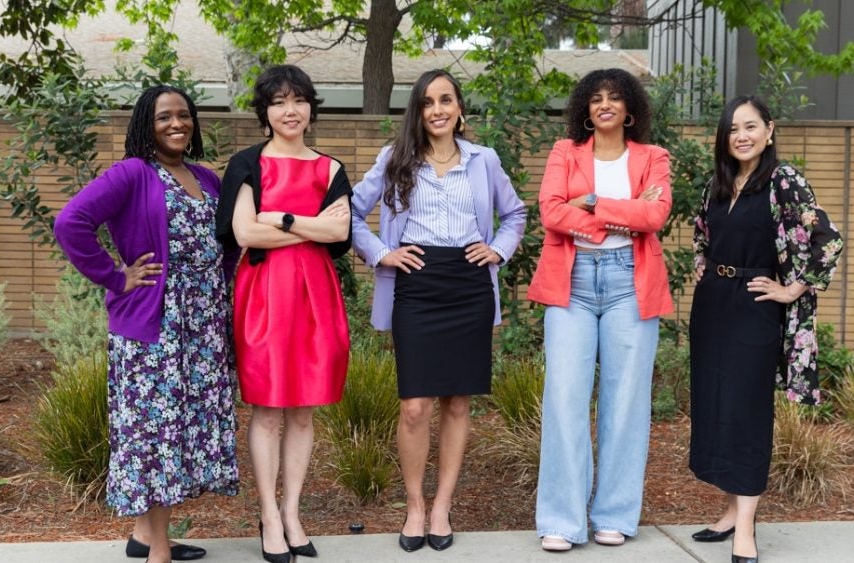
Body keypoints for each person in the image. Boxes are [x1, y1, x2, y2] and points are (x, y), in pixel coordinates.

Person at [54, 85, 239, 563]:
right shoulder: (133, 174)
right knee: (155, 436)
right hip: (155, 327)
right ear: (145, 126)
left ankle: (144, 536)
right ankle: (158, 550)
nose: (176, 124)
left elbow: (228, 241)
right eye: (163, 118)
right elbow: (70, 223)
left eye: (184, 115)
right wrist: (115, 277)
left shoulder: (205, 178)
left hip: (201, 328)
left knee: (179, 431)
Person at [350, 69, 526, 553]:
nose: (437, 110)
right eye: (428, 102)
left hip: (469, 284)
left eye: (446, 99)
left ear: (459, 107)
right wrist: (381, 252)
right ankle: (414, 506)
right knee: (414, 406)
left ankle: (443, 506)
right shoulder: (395, 159)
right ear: (418, 111)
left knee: (459, 401)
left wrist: (498, 250)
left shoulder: (483, 160)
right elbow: (346, 211)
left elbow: (515, 214)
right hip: (417, 284)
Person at [688, 95, 844, 563]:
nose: (741, 135)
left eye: (750, 126)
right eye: (733, 128)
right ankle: (731, 510)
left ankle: (747, 531)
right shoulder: (720, 182)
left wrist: (794, 288)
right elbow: (702, 233)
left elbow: (828, 239)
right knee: (716, 407)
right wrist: (701, 262)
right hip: (712, 307)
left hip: (756, 308)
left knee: (747, 413)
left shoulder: (784, 181)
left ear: (769, 131)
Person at [527, 68, 672, 552]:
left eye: (614, 98)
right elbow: (550, 211)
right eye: (595, 98)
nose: (604, 104)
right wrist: (617, 208)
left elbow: (655, 215)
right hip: (572, 283)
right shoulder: (564, 153)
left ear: (630, 109)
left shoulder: (653, 157)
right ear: (585, 110)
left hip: (630, 282)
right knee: (564, 399)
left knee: (626, 402)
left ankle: (614, 514)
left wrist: (588, 204)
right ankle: (561, 521)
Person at [215, 64, 351, 563]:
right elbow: (246, 234)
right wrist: (311, 226)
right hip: (265, 294)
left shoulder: (331, 168)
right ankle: (268, 515)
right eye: (278, 102)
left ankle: (293, 513)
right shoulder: (246, 164)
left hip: (316, 296)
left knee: (304, 409)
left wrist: (285, 218)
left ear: (311, 108)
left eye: (298, 100)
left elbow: (341, 235)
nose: (289, 110)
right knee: (268, 408)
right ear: (265, 112)